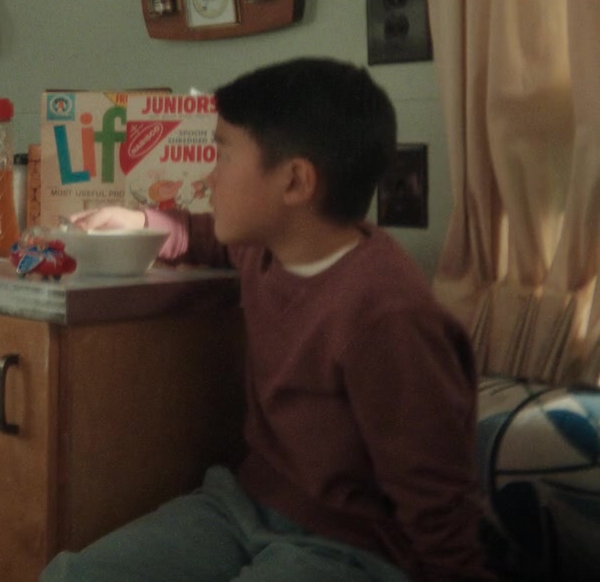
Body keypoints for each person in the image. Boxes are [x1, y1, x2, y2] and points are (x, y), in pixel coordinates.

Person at [42, 57, 490, 582]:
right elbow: (206, 237)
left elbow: (439, 504)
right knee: (72, 576)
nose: (208, 177)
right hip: (243, 504)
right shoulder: (267, 247)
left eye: (223, 154)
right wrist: (142, 220)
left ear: (295, 181)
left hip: (350, 545)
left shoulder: (388, 316)